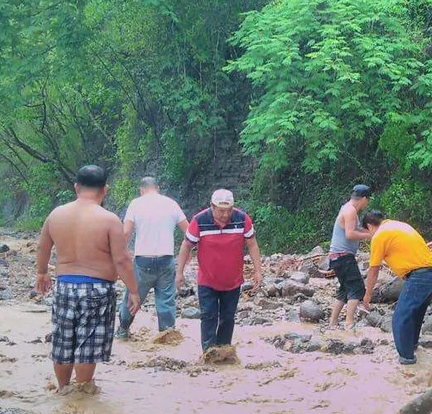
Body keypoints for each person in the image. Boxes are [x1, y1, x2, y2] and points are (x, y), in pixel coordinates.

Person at [35, 165, 139, 391]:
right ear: (105, 190)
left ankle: (63, 389)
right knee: (87, 346)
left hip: (64, 287)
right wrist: (133, 290)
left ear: (76, 187)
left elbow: (43, 247)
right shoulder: (109, 219)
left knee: (63, 342)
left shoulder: (56, 215)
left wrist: (42, 273)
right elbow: (121, 260)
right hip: (97, 290)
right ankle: (82, 393)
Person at [175, 189, 263, 352]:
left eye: (228, 210)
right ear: (212, 206)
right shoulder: (200, 220)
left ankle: (223, 352)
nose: (225, 214)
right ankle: (208, 354)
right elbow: (186, 245)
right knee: (208, 317)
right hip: (207, 280)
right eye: (221, 210)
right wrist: (179, 272)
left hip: (233, 281)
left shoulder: (242, 219)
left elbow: (252, 244)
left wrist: (258, 270)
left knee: (228, 318)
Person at [360, 211, 432, 365]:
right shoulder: (399, 225)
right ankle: (412, 347)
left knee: (400, 317)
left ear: (369, 226)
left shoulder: (379, 235)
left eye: (368, 231)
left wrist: (367, 296)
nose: (369, 235)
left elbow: (374, 270)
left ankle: (406, 360)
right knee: (415, 313)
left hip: (419, 277)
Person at [116, 177, 189, 339]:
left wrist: (119, 254)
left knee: (133, 295)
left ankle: (123, 330)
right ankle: (167, 334)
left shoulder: (136, 204)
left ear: (141, 190)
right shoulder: (171, 203)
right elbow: (189, 232)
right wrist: (188, 255)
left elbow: (126, 233)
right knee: (166, 301)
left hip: (143, 261)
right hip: (166, 259)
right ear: (158, 188)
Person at [328, 185, 372, 330]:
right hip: (343, 256)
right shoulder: (351, 210)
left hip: (337, 256)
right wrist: (370, 235)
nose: (367, 203)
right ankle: (349, 323)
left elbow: (355, 229)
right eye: (368, 200)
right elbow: (350, 234)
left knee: (345, 289)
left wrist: (370, 231)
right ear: (364, 198)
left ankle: (333, 322)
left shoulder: (347, 208)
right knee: (357, 287)